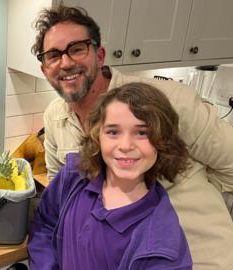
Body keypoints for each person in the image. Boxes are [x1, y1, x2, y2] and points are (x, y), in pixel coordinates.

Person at [33, 5, 233, 269]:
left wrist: (199, 198)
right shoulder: (54, 118)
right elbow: (58, 204)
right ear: (45, 69)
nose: (66, 62)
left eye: (77, 48)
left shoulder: (170, 101)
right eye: (53, 55)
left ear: (100, 54)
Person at [28, 82, 193, 269]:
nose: (125, 145)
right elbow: (45, 225)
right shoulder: (74, 176)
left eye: (141, 132)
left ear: (163, 140)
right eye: (113, 132)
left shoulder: (162, 248)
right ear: (98, 135)